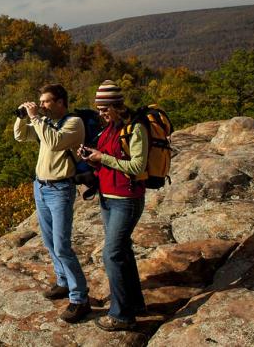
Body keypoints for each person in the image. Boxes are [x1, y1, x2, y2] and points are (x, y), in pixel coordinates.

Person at [14, 84, 90, 323]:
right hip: (41, 187)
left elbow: (55, 142)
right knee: (48, 242)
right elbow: (21, 136)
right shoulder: (45, 124)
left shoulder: (73, 123)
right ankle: (63, 282)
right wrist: (21, 117)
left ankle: (80, 298)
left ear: (60, 102)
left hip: (60, 190)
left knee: (62, 246)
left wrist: (36, 117)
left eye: (46, 101)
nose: (42, 105)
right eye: (40, 102)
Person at [79, 80, 148, 331]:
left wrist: (103, 157)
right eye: (99, 109)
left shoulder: (135, 129)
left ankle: (121, 316)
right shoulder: (110, 129)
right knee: (123, 252)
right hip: (108, 198)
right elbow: (109, 160)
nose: (101, 114)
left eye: (105, 109)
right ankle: (135, 304)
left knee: (111, 254)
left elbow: (137, 167)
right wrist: (92, 158)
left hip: (127, 200)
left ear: (117, 105)